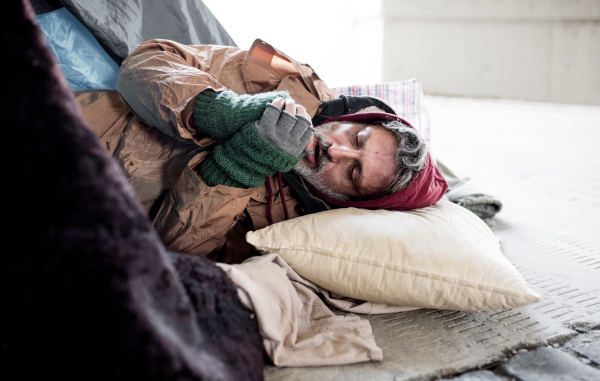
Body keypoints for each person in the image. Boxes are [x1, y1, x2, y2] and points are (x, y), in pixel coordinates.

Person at [77, 38, 448, 264]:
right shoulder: (293, 77)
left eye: (353, 173)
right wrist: (216, 109)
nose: (336, 151)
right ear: (358, 118)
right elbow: (146, 61)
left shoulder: (288, 231)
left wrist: (239, 168)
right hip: (61, 124)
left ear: (351, 202)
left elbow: (176, 255)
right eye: (358, 138)